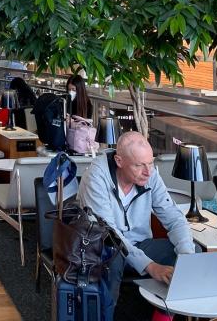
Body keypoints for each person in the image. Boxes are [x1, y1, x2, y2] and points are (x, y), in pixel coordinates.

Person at [78, 131, 195, 308]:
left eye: (151, 163)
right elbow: (110, 234)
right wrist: (150, 266)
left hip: (140, 245)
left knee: (194, 253)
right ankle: (104, 315)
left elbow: (174, 218)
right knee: (113, 259)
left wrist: (187, 255)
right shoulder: (96, 177)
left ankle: (171, 313)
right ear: (119, 161)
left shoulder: (150, 175)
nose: (148, 172)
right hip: (102, 248)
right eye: (139, 165)